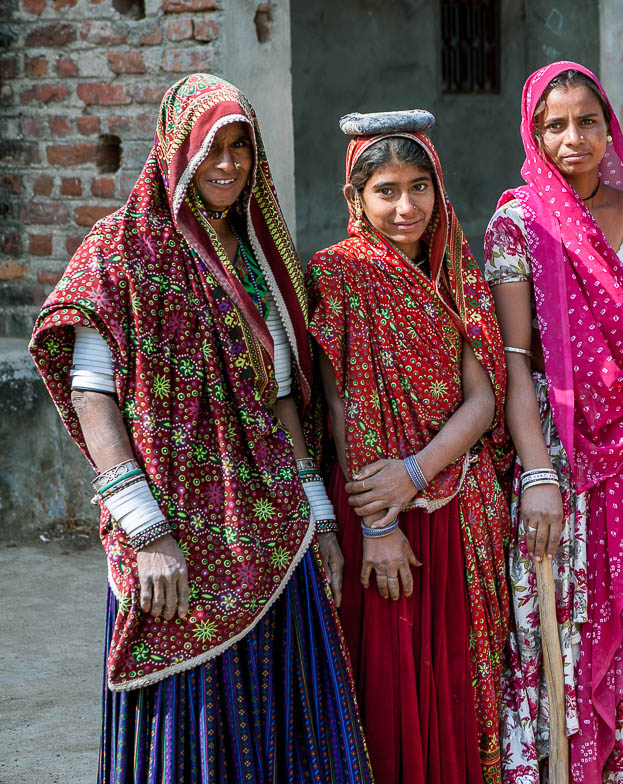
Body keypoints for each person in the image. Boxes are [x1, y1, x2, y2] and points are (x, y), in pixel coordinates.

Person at [28, 73, 371, 783]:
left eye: (241, 147)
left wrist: (321, 520)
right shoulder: (121, 249)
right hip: (176, 538)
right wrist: (145, 532)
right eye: (211, 146)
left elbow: (283, 398)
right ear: (173, 149)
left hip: (275, 537)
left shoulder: (259, 258)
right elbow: (93, 394)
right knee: (192, 736)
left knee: (285, 724)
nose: (227, 165)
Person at [485, 61, 623, 783]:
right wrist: (540, 476)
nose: (573, 136)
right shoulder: (518, 222)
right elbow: (517, 361)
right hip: (556, 448)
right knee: (554, 623)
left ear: (608, 127)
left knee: (617, 620)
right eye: (555, 124)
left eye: (588, 121)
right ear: (534, 132)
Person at [307, 111, 512, 784]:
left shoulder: (458, 267)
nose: (406, 206)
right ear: (355, 199)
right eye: (386, 190)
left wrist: (417, 474)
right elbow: (341, 407)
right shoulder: (338, 276)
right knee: (391, 689)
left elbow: (483, 401)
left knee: (453, 683)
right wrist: (381, 521)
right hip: (381, 513)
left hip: (454, 505)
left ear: (438, 187)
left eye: (419, 187)